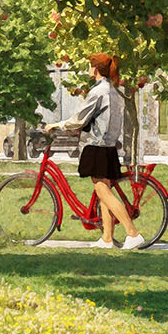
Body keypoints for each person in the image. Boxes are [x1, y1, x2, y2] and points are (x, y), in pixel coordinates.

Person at [56, 52, 144, 250]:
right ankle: (107, 238)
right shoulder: (113, 90)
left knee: (102, 190)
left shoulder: (98, 92)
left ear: (95, 69)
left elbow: (80, 118)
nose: (88, 69)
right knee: (105, 190)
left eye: (90, 66)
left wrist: (59, 125)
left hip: (96, 145)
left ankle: (132, 233)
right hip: (109, 146)